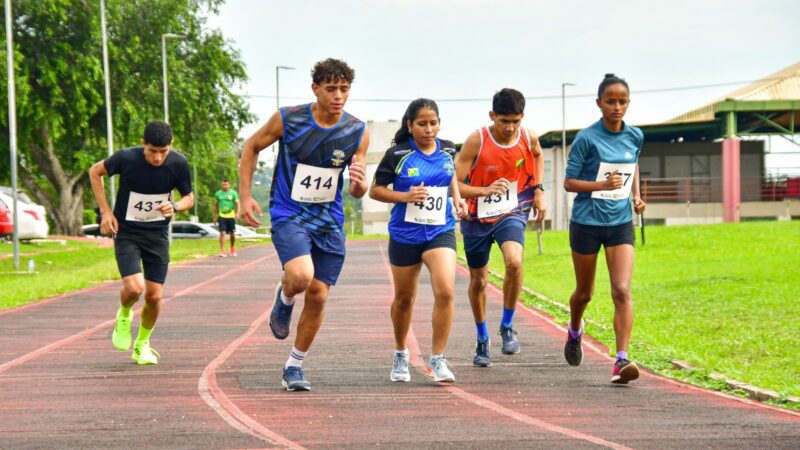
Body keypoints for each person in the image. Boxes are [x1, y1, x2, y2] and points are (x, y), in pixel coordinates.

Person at [238, 58, 369, 391]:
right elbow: (251, 146)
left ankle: (294, 366)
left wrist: (358, 183)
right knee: (300, 276)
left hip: (328, 220)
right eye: (331, 89)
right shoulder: (289, 119)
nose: (338, 95)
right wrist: (244, 197)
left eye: (344, 89)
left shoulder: (357, 130)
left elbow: (357, 187)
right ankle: (284, 297)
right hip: (289, 212)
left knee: (319, 296)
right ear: (316, 89)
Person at [369, 99, 468, 384]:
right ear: (410, 125)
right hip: (405, 234)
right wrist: (405, 197)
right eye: (422, 124)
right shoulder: (397, 154)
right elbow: (375, 191)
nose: (428, 129)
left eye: (433, 123)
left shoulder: (448, 149)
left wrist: (458, 198)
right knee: (404, 299)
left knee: (446, 290)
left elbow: (451, 177)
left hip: (440, 230)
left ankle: (438, 358)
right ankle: (401, 353)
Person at [562, 73, 646, 384]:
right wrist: (601, 184)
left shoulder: (635, 136)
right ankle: (574, 330)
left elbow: (633, 164)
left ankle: (621, 360)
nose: (616, 107)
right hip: (586, 223)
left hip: (619, 223)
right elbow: (569, 183)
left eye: (622, 101)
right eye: (610, 101)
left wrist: (636, 195)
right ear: (599, 103)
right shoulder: (586, 138)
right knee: (584, 294)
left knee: (622, 290)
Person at [88, 121, 194, 365]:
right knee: (135, 288)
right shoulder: (126, 158)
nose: (158, 157)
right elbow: (95, 171)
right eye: (152, 151)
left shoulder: (178, 163)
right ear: (142, 143)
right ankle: (124, 315)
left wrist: (176, 206)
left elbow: (189, 197)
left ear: (171, 146)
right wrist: (105, 211)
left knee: (155, 297)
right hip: (127, 233)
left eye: (163, 151)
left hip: (157, 236)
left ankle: (142, 344)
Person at [454, 88, 546, 367]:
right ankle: (482, 338)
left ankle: (507, 326)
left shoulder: (528, 136)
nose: (510, 127)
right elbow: (455, 185)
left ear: (522, 118)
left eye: (515, 121)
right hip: (476, 216)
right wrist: (484, 191)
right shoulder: (476, 140)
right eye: (504, 121)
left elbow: (538, 155)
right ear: (492, 116)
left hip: (512, 209)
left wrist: (539, 189)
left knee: (514, 262)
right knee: (479, 280)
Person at [213, 179, 240, 257]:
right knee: (222, 233)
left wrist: (237, 213)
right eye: (223, 185)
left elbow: (238, 204)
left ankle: (232, 247)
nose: (224, 186)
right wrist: (214, 217)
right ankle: (223, 250)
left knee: (232, 233)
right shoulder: (218, 194)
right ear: (221, 185)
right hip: (222, 216)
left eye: (226, 184)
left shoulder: (233, 193)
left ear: (229, 185)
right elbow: (215, 206)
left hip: (231, 216)